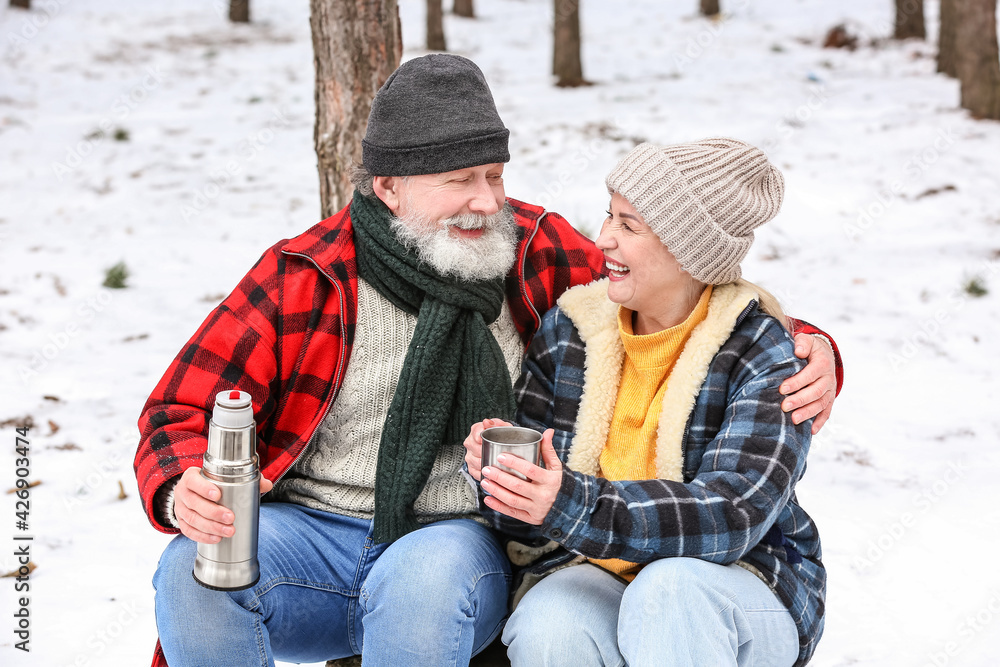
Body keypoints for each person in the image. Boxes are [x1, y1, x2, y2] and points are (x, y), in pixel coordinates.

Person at [135, 54, 839, 667]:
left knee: (425, 583)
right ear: (390, 186)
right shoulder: (307, 276)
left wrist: (811, 345)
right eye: (461, 179)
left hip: (454, 538)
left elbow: (674, 287)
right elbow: (181, 407)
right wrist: (178, 485)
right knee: (191, 575)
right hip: (314, 535)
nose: (487, 201)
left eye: (495, 174)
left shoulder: (527, 247)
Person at [465, 139, 832, 666]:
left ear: (690, 250)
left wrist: (569, 500)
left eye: (629, 225)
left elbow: (733, 515)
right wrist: (507, 484)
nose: (604, 240)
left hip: (740, 583)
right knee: (550, 621)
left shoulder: (762, 351)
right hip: (597, 572)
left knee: (670, 591)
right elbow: (527, 528)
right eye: (608, 216)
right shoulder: (571, 332)